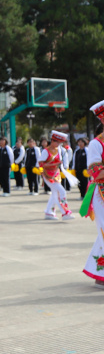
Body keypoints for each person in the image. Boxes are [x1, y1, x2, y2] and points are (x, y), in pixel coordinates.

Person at [84, 100, 104, 289]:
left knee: (103, 234)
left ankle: (99, 272)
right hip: (101, 194)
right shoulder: (96, 144)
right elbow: (95, 171)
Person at [39, 130, 76, 221]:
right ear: (52, 141)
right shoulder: (45, 151)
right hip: (48, 175)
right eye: (58, 142)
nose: (59, 144)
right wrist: (54, 164)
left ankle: (49, 212)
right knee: (61, 191)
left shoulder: (59, 150)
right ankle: (65, 212)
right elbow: (41, 164)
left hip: (56, 174)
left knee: (55, 193)